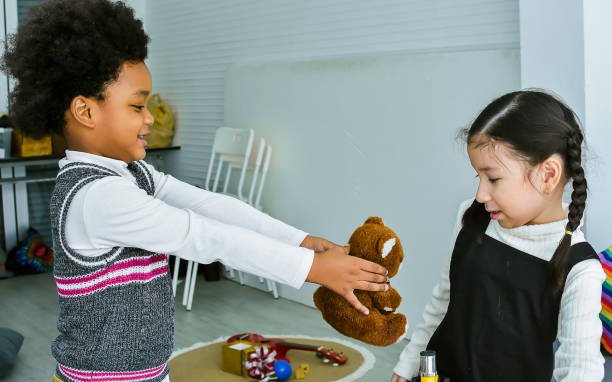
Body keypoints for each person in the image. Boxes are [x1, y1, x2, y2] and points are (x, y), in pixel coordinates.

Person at [1, 1, 389, 381]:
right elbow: (203, 237)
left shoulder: (131, 174)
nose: (150, 118)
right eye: (137, 107)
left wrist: (299, 241)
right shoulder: (97, 197)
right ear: (86, 112)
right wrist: (312, 269)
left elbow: (211, 206)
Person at [391, 90, 605, 382]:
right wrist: (408, 363)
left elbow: (581, 370)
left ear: (548, 175)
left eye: (493, 178)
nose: (481, 194)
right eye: (477, 177)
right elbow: (443, 300)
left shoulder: (580, 268)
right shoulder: (471, 216)